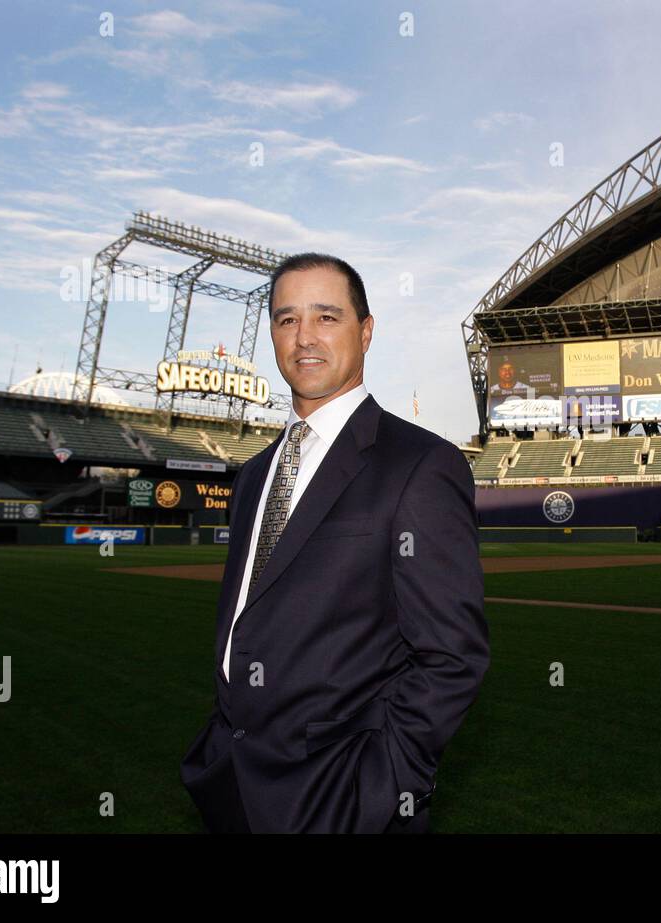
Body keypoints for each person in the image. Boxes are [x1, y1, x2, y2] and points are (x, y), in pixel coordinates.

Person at [179, 253, 490, 833]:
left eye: (326, 317)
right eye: (286, 319)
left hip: (343, 796)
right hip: (235, 783)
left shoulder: (420, 464)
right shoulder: (254, 474)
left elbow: (453, 656)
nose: (304, 338)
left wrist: (382, 780)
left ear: (365, 332)